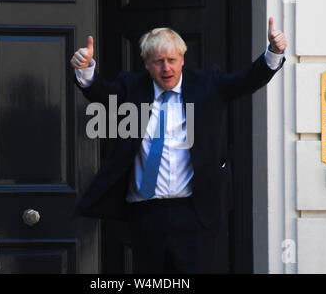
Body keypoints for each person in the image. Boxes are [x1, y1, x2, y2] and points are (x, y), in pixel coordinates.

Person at [71, 18, 287, 273]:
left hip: (194, 213)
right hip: (146, 214)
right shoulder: (132, 88)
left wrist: (273, 52)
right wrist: (86, 69)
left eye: (172, 60)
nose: (166, 68)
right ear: (146, 64)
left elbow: (246, 81)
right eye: (158, 62)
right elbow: (101, 92)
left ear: (182, 59)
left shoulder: (207, 83)